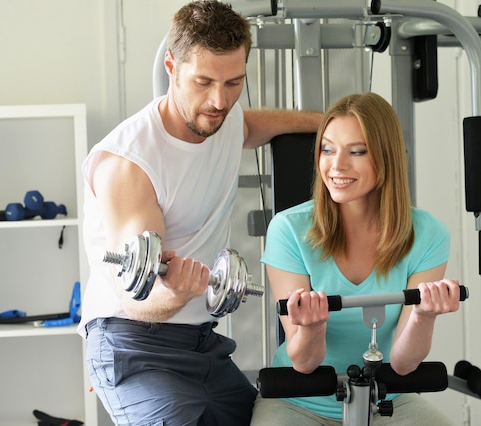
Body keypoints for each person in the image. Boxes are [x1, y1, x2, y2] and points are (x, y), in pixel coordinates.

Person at [77, 1, 322, 425]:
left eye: (234, 83)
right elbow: (136, 297)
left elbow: (250, 126)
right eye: (203, 81)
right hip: (133, 343)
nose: (219, 100)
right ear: (171, 65)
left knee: (277, 417)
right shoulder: (130, 164)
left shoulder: (224, 120)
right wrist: (174, 293)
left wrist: (336, 124)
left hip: (202, 342)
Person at [250, 92, 461, 425]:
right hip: (298, 402)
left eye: (357, 151)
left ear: (385, 156)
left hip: (390, 401)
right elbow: (304, 363)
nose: (337, 165)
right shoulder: (289, 230)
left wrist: (423, 315)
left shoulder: (428, 234)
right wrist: (313, 327)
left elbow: (403, 366)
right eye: (327, 149)